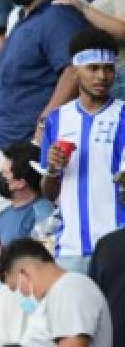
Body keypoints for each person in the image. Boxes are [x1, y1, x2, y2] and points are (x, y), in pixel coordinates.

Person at [40, 27, 125, 272]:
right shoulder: (56, 120)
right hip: (70, 248)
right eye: (93, 68)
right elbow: (49, 192)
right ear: (75, 71)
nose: (102, 76)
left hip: (116, 246)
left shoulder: (123, 115)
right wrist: (54, 170)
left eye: (108, 68)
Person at [0, 0, 88, 152]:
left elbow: (73, 70)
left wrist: (44, 125)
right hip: (6, 145)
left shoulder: (58, 15)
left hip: (29, 147)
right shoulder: (23, 19)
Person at [0, 142, 54, 245]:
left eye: (4, 173)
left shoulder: (43, 214)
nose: (0, 176)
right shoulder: (3, 214)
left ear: (20, 183)